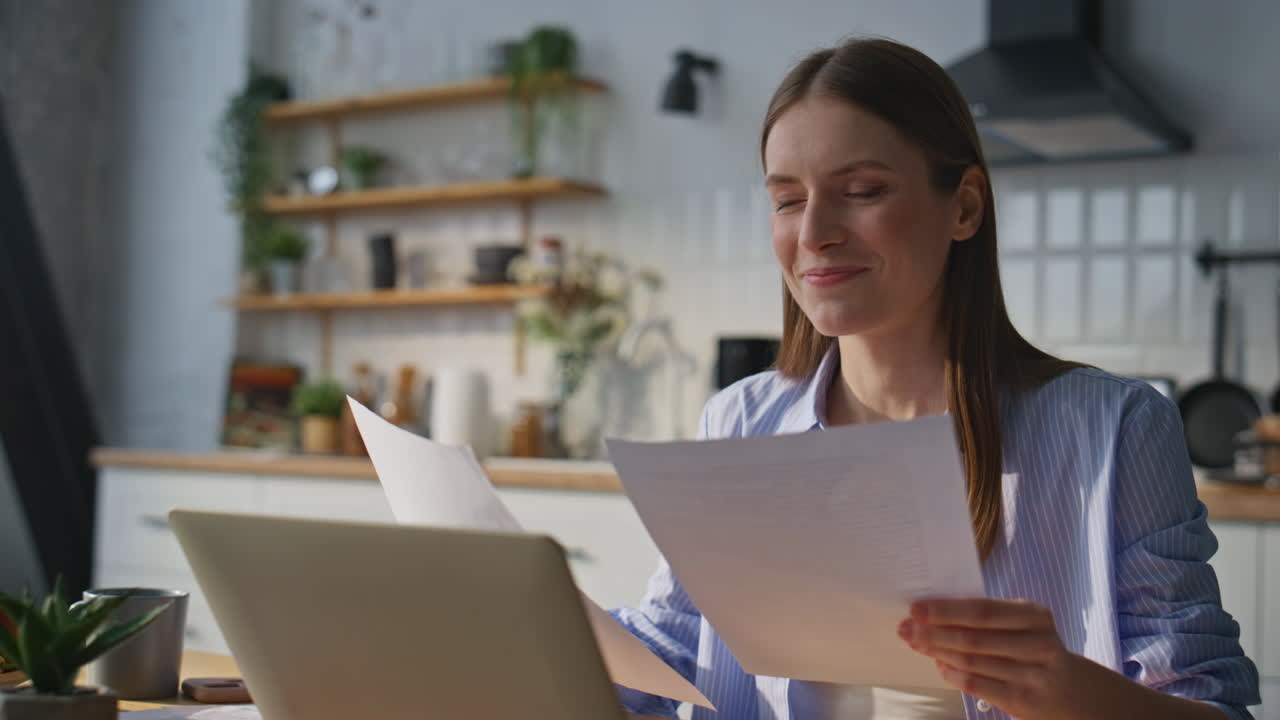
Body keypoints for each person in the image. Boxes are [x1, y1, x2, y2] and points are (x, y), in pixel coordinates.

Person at [609, 37, 1260, 720]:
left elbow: (1214, 708)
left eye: (862, 192)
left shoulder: (1115, 429)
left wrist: (1073, 693)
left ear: (965, 207)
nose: (815, 233)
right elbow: (677, 650)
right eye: (787, 200)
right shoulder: (738, 422)